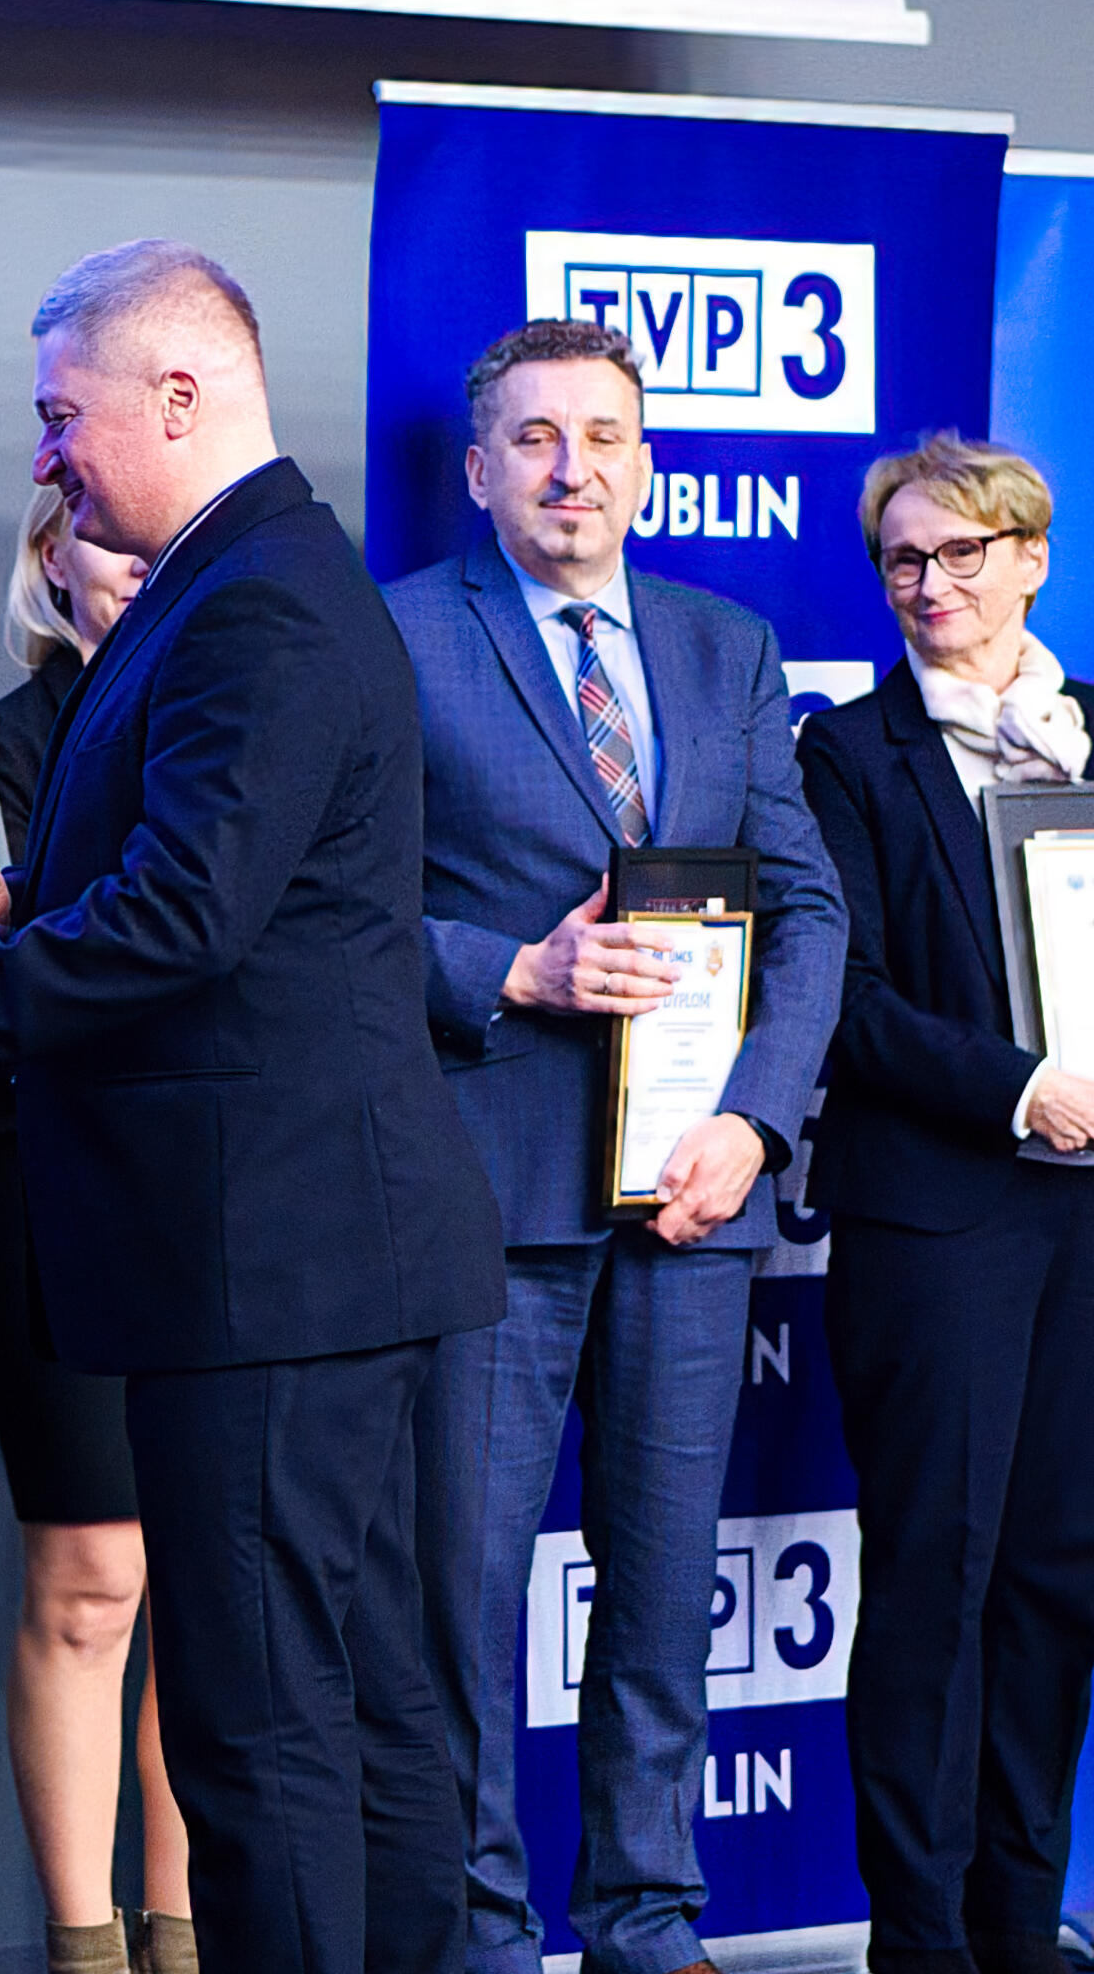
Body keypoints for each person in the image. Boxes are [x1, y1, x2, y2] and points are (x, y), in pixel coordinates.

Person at [0, 238, 505, 1974]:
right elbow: (219, 897)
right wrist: (15, 920)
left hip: (270, 1264)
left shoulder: (255, 600)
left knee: (263, 1737)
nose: (46, 454)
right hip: (299, 1253)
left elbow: (184, 923)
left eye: (60, 413)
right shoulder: (245, 581)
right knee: (354, 1707)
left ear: (176, 396)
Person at [384, 318, 844, 1974]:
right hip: (489, 1195)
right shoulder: (398, 637)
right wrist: (513, 969)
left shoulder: (728, 646)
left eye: (602, 436)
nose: (571, 467)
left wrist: (754, 1122)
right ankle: (481, 1938)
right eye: (534, 438)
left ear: (646, 464)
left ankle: (649, 1924)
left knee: (661, 1590)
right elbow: (337, 910)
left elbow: (806, 906)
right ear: (478, 470)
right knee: (462, 1598)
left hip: (694, 1200)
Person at [797, 433, 1094, 1974]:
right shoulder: (849, 757)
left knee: (1058, 1576)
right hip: (938, 1218)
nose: (929, 584)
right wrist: (1020, 1087)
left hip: (1086, 1226)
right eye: (903, 559)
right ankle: (919, 1943)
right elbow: (842, 1003)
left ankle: (1020, 1924)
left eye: (961, 553)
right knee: (938, 1576)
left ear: (1031, 559)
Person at [0, 483, 187, 1974]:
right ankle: (86, 1949)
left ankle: (187, 1937)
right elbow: (0, 976)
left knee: (206, 1591)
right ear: (49, 559)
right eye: (110, 544)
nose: (140, 571)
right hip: (53, 1192)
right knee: (93, 1583)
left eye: (164, 549)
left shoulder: (233, 721)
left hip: (220, 1197)